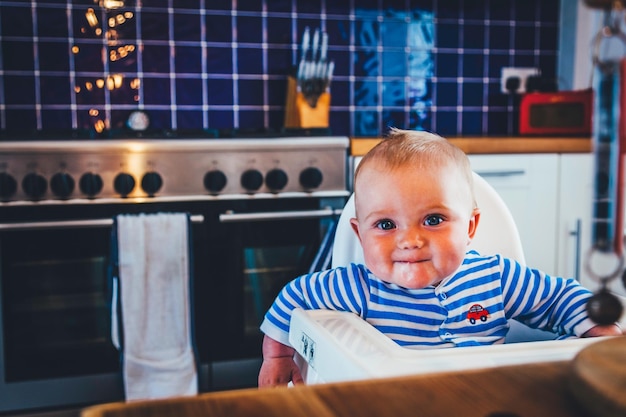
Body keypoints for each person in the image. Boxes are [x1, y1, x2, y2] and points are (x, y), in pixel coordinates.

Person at [258, 128, 623, 388]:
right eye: (385, 224)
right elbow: (295, 298)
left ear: (470, 227)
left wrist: (599, 331)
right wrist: (278, 357)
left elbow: (561, 298)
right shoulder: (357, 286)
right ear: (360, 234)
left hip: (485, 397)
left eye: (433, 220)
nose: (410, 240)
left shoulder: (495, 277)